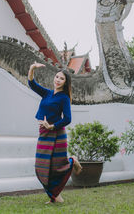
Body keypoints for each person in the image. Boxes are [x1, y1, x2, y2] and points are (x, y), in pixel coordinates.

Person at [28, 61, 82, 203]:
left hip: (57, 134)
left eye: (61, 79)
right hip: (44, 133)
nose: (58, 80)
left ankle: (55, 196)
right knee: (41, 166)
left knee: (57, 167)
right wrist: (32, 68)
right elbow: (32, 84)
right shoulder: (47, 93)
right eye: (57, 77)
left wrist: (52, 126)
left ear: (65, 83)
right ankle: (55, 195)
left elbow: (68, 119)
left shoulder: (64, 98)